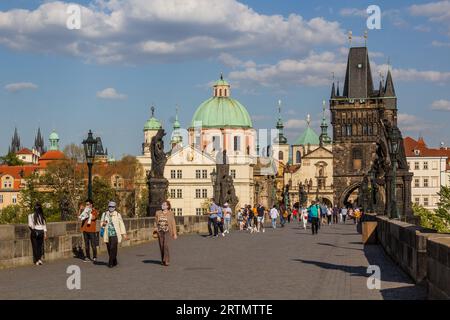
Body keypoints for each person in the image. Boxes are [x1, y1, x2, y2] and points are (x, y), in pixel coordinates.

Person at [100, 201, 128, 268]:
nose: (111, 208)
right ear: (108, 207)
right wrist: (103, 224)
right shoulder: (104, 214)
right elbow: (101, 223)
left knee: (113, 248)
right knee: (109, 248)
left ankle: (110, 263)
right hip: (107, 234)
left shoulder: (117, 214)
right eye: (110, 206)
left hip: (115, 234)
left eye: (112, 207)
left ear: (115, 207)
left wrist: (124, 234)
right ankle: (114, 260)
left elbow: (121, 224)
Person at [154, 201, 177, 266]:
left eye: (164, 205)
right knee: (161, 246)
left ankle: (167, 260)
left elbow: (173, 223)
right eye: (162, 204)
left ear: (167, 206)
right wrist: (155, 228)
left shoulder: (171, 213)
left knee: (165, 245)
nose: (162, 205)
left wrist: (175, 233)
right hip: (160, 231)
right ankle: (162, 260)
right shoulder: (158, 213)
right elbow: (155, 222)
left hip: (167, 231)